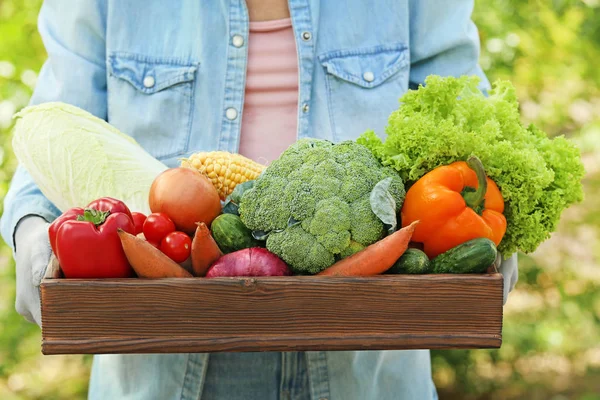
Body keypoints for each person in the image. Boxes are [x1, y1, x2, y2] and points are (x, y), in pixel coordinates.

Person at [1, 0, 518, 399]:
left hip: (368, 369)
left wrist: (500, 224)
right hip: (158, 365)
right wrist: (29, 227)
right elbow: (55, 126)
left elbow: (463, 118)